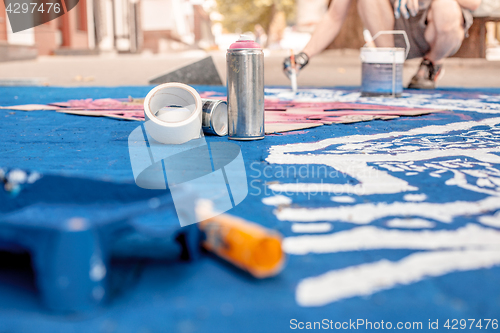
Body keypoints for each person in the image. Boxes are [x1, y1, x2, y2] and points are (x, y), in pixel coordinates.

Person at [283, 0, 482, 89]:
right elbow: (334, 17)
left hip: (435, 33)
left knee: (445, 5)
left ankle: (430, 64)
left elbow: (474, 2)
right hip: (395, 34)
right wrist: (304, 55)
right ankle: (390, 64)